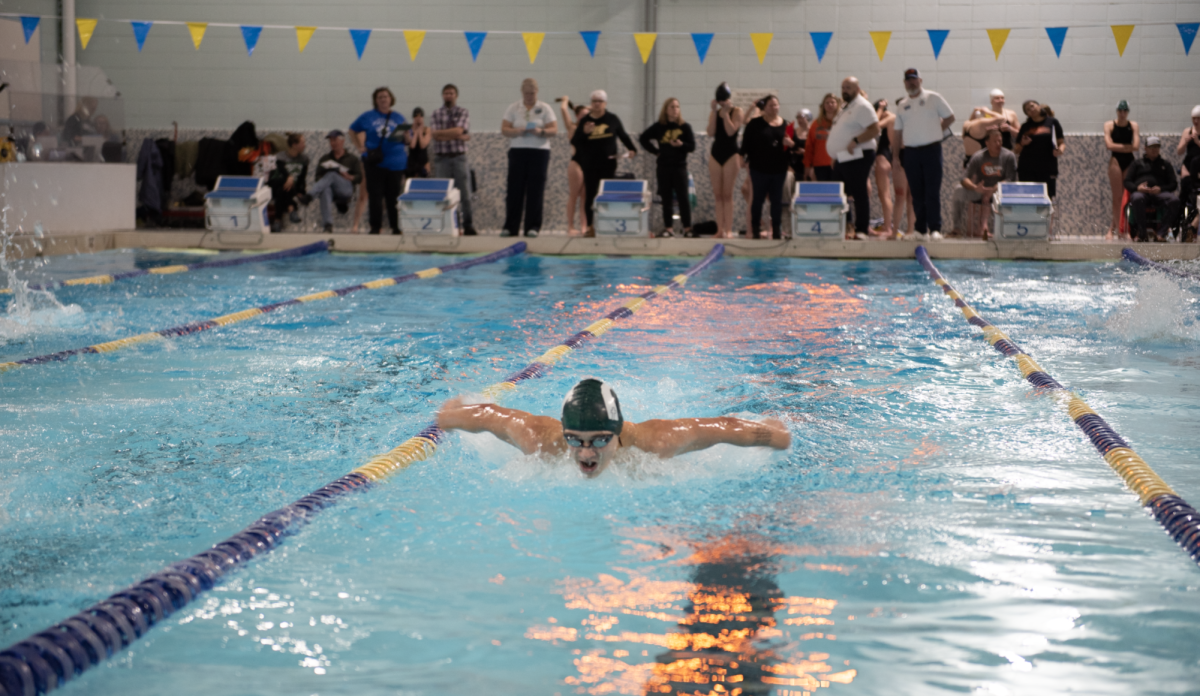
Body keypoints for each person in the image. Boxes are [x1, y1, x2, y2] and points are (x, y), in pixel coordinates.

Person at [436, 378, 791, 479]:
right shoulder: (542, 440)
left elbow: (724, 428)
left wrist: (774, 435)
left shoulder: (656, 441)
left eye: (600, 440)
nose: (586, 454)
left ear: (618, 433)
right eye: (576, 440)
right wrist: (448, 417)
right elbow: (489, 416)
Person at [894, 68, 955, 240]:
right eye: (908, 80)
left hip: (931, 150)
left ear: (920, 80)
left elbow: (950, 117)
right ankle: (920, 230)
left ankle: (935, 228)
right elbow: (897, 133)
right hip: (911, 152)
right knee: (916, 193)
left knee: (932, 191)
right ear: (904, 83)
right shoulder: (901, 105)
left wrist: (936, 131)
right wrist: (895, 157)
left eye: (914, 80)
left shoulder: (933, 98)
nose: (911, 83)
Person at [570, 90, 638, 235]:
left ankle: (607, 225)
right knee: (590, 195)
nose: (597, 104)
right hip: (590, 164)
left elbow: (623, 136)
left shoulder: (612, 119)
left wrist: (632, 149)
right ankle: (589, 227)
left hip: (608, 164)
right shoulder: (585, 120)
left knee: (607, 195)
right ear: (591, 103)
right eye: (594, 101)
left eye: (600, 101)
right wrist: (584, 132)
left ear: (605, 103)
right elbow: (574, 141)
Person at [501, 78, 558, 238]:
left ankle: (532, 227)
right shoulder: (513, 107)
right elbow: (504, 129)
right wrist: (517, 131)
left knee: (535, 190)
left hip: (539, 152)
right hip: (518, 151)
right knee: (514, 190)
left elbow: (554, 129)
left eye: (532, 93)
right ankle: (510, 227)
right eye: (526, 93)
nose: (529, 96)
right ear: (522, 92)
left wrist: (541, 132)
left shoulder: (545, 108)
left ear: (536, 92)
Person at [826, 77, 880, 240]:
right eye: (843, 87)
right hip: (843, 157)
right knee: (838, 193)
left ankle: (862, 229)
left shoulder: (862, 106)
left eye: (848, 87)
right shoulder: (846, 106)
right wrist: (835, 154)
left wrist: (856, 141)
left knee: (858, 192)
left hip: (858, 155)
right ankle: (841, 227)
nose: (844, 90)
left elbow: (875, 129)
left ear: (857, 89)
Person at [349, 87, 407, 235]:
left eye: (386, 96)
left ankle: (396, 227)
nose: (383, 99)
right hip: (375, 163)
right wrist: (359, 146)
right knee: (375, 195)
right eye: (380, 97)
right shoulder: (368, 116)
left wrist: (410, 134)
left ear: (391, 99)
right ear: (376, 100)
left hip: (395, 164)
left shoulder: (399, 118)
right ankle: (375, 227)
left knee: (393, 196)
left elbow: (407, 139)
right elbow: (352, 129)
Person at [640, 97, 696, 237]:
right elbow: (643, 138)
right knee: (666, 199)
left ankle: (687, 228)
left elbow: (692, 146)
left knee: (683, 198)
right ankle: (668, 228)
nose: (675, 109)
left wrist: (681, 145)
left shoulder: (684, 127)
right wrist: (656, 152)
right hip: (664, 167)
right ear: (666, 110)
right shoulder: (659, 127)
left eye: (677, 106)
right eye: (672, 107)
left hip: (679, 167)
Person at [741, 95, 792, 240]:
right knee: (758, 199)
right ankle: (755, 229)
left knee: (776, 200)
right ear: (764, 108)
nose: (774, 108)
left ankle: (776, 230)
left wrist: (790, 145)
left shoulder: (786, 125)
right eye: (771, 105)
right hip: (759, 168)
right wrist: (742, 158)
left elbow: (791, 148)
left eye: (776, 105)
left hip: (779, 169)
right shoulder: (755, 124)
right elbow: (746, 143)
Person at [953, 129, 1016, 238]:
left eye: (1000, 141)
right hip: (980, 190)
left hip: (1000, 192)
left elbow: (1012, 178)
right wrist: (974, 187)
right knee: (958, 191)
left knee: (1002, 194)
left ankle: (1004, 230)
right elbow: (964, 178)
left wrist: (995, 188)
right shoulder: (978, 157)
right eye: (995, 141)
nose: (998, 144)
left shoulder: (1008, 156)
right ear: (987, 143)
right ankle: (957, 228)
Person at [431, 84, 476, 235]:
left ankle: (468, 226)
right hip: (441, 159)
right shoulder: (436, 113)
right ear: (442, 95)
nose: (448, 95)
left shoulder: (463, 112)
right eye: (446, 93)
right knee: (444, 195)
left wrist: (449, 133)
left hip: (459, 158)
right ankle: (450, 226)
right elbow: (435, 135)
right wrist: (457, 134)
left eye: (451, 93)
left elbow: (457, 130)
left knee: (465, 194)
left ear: (456, 95)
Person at [1124, 136, 1180, 242]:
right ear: (1145, 148)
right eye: (1151, 147)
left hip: (1159, 194)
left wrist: (1161, 188)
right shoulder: (1137, 164)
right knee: (1136, 197)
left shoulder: (1165, 164)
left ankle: (1161, 233)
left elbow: (1173, 184)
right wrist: (1137, 188)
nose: (1154, 149)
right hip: (1142, 194)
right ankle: (1142, 233)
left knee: (1174, 200)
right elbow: (1127, 182)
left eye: (1156, 147)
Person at [707, 84, 744, 239]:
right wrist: (715, 113)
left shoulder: (737, 111)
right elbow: (710, 132)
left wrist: (726, 114)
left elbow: (730, 132)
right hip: (716, 154)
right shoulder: (714, 113)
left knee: (727, 194)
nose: (722, 103)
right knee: (718, 195)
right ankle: (719, 230)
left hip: (731, 154)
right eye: (720, 100)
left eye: (724, 100)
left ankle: (728, 230)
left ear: (729, 99)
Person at [308, 130, 363, 233]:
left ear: (342, 141)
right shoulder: (325, 159)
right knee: (325, 189)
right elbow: (317, 177)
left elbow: (359, 178)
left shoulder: (352, 159)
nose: (332, 143)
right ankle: (328, 225)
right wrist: (325, 180)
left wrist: (348, 177)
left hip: (346, 188)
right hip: (331, 191)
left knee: (332, 174)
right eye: (331, 141)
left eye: (335, 140)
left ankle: (310, 196)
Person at [1013, 101, 1065, 201]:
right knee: (1028, 199)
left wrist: (1060, 150)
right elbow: (1016, 149)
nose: (1031, 110)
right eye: (1028, 109)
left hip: (1047, 167)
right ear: (1027, 114)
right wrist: (1023, 143)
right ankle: (1029, 217)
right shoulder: (1025, 126)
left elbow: (1061, 143)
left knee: (1047, 199)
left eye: (1032, 106)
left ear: (1039, 106)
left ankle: (1045, 218)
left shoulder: (1052, 122)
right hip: (1027, 168)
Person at [1104, 100, 1139, 240]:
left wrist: (1117, 146)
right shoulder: (1109, 125)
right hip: (1116, 161)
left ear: (1128, 112)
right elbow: (1108, 145)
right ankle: (1118, 231)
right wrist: (1127, 147)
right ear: (1117, 111)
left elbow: (1136, 146)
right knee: (1117, 198)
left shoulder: (1134, 125)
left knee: (1127, 197)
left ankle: (1118, 228)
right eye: (1120, 111)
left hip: (1129, 161)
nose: (1122, 113)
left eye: (1125, 111)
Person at [558, 98, 591, 236]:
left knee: (585, 196)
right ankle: (570, 226)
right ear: (577, 116)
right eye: (581, 115)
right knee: (574, 195)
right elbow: (563, 110)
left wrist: (585, 107)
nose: (584, 117)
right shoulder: (572, 127)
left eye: (586, 115)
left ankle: (584, 226)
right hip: (576, 163)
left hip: (588, 164)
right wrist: (565, 100)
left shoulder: (591, 128)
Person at [267, 132, 310, 232]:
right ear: (294, 145)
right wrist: (289, 177)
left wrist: (301, 192)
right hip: (274, 184)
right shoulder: (280, 156)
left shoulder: (304, 159)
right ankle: (291, 208)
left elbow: (301, 178)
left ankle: (277, 221)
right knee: (283, 182)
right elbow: (278, 174)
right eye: (302, 142)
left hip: (287, 189)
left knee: (282, 190)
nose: (305, 145)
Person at [887, 97, 916, 239]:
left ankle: (911, 231)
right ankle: (894, 232)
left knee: (912, 197)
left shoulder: (915, 119)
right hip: (901, 156)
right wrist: (895, 159)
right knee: (900, 196)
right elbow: (894, 143)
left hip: (914, 155)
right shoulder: (894, 121)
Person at [871, 99, 896, 238]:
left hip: (883, 158)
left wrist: (878, 111)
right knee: (883, 194)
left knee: (885, 194)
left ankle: (888, 227)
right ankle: (887, 226)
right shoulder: (893, 118)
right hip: (887, 157)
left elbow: (875, 127)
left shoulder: (889, 117)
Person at [1175, 105, 1200, 241]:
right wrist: (1185, 142)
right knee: (1184, 197)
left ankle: (1193, 225)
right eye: (1194, 119)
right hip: (1189, 168)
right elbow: (1179, 151)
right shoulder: (1188, 131)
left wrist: (1197, 141)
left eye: (1198, 119)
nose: (1196, 122)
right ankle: (1180, 226)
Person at [803, 94, 839, 182]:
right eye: (827, 103)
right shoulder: (816, 123)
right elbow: (809, 146)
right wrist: (807, 165)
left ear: (837, 104)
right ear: (823, 105)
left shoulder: (842, 122)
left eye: (832, 102)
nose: (830, 105)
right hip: (820, 165)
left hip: (837, 164)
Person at [404, 107, 431, 179]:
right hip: (412, 161)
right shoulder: (409, 129)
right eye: (416, 116)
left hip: (423, 161)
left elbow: (423, 145)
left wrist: (420, 132)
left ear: (423, 117)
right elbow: (412, 146)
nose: (418, 118)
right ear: (413, 118)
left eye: (420, 116)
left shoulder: (427, 130)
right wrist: (416, 132)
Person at [785, 108, 811, 179]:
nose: (799, 120)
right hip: (794, 163)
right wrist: (788, 166)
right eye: (798, 117)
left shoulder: (812, 132)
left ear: (808, 117)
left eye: (802, 117)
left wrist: (804, 152)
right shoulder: (793, 131)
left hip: (808, 164)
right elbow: (786, 149)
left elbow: (816, 150)